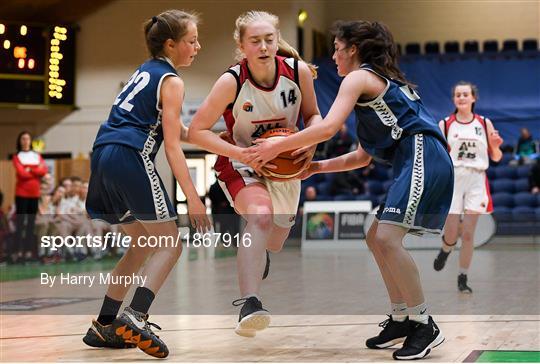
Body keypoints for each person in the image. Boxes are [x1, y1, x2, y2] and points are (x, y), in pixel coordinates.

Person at [251, 20, 453, 360]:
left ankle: (424, 323)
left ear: (353, 50)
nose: (333, 55)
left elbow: (328, 128)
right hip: (413, 156)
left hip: (423, 153)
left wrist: (273, 149)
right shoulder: (371, 88)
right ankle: (401, 317)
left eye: (336, 48)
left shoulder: (360, 77)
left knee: (387, 238)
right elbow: (361, 157)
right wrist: (315, 167)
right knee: (376, 236)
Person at [83, 10, 210, 358]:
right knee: (171, 244)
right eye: (192, 40)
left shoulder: (144, 71)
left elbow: (175, 131)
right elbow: (170, 146)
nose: (197, 46)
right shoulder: (172, 80)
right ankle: (136, 315)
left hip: (103, 156)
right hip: (130, 157)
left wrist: (215, 138)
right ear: (171, 44)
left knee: (140, 245)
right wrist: (193, 198)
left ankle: (104, 324)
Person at [188, 10, 322, 338]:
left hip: (285, 164)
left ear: (277, 41)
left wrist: (312, 143)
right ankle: (250, 303)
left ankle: (259, 252)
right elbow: (196, 132)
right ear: (242, 45)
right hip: (242, 162)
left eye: (268, 40)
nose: (263, 46)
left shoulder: (297, 72)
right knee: (259, 217)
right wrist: (242, 153)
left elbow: (314, 115)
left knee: (274, 242)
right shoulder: (231, 81)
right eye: (255, 41)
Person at [432, 82, 503, 293]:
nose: (461, 97)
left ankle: (462, 277)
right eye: (457, 95)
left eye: (465, 94)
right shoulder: (445, 124)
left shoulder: (484, 122)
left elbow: (496, 156)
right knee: (452, 232)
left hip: (476, 179)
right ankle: (446, 248)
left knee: (470, 234)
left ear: (473, 98)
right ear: (454, 99)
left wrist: (497, 147)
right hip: (453, 178)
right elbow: (437, 155)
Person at [12, 131, 48, 263]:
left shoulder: (36, 156)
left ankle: (28, 252)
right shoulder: (17, 156)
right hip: (21, 194)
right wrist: (35, 170)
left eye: (28, 139)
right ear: (20, 141)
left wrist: (29, 169)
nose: (26, 141)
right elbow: (22, 174)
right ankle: (17, 252)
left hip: (34, 194)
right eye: (23, 139)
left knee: (31, 224)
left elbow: (43, 171)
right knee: (20, 223)